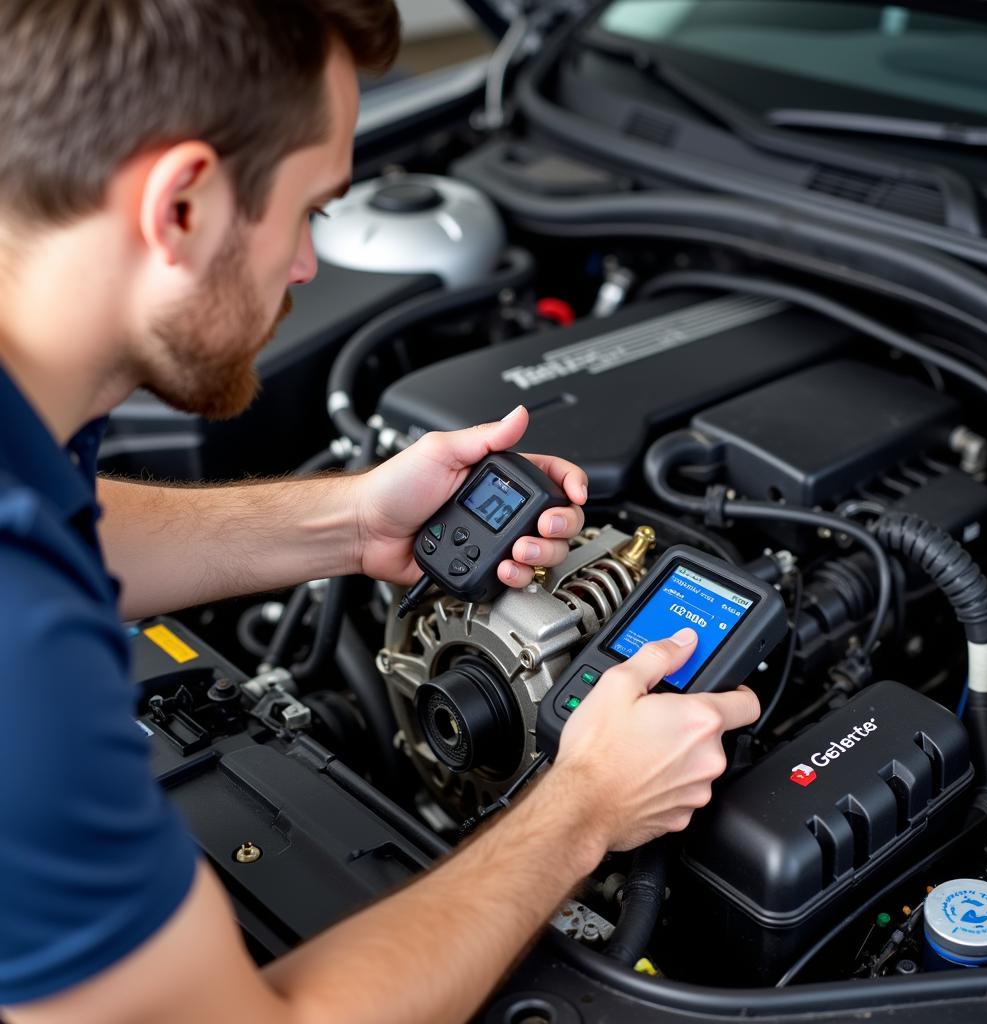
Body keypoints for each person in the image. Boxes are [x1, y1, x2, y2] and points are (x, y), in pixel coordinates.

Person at [0, 3, 760, 1022]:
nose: (310, 266)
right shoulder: (23, 665)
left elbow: (68, 519)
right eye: (311, 208)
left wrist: (355, 523)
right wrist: (583, 807)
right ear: (179, 204)